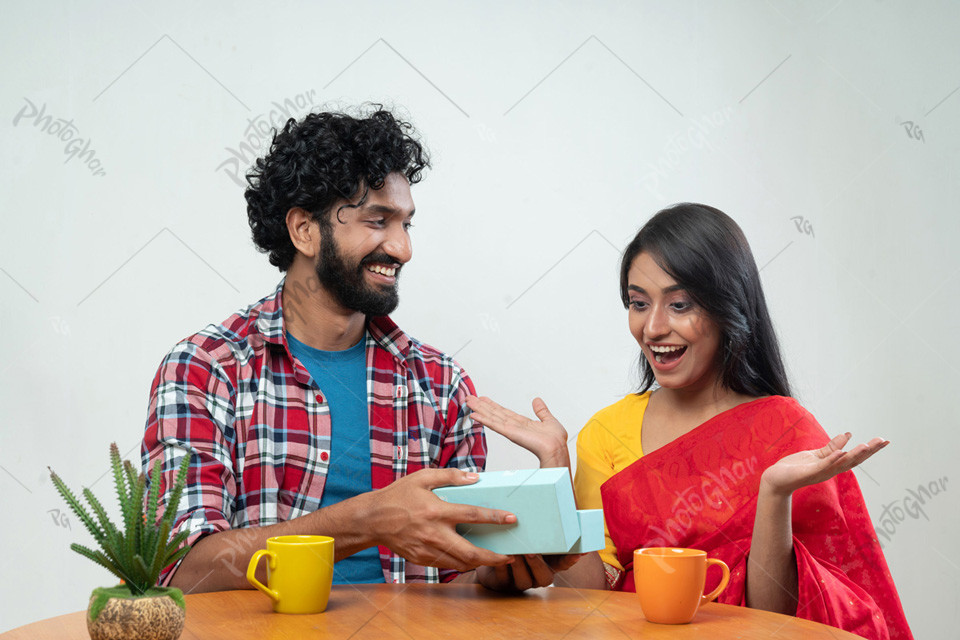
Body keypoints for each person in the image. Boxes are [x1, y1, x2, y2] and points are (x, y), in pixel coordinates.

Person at [467, 203, 913, 639]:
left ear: (727, 307)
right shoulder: (607, 430)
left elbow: (782, 621)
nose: (653, 327)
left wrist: (773, 494)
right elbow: (586, 597)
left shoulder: (785, 429)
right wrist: (554, 464)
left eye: (679, 305)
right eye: (638, 303)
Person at [142, 107, 532, 591]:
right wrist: (366, 521)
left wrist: (504, 572)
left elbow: (457, 582)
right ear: (304, 230)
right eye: (377, 220)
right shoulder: (204, 371)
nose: (402, 248)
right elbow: (184, 573)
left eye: (406, 224)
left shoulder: (441, 385)